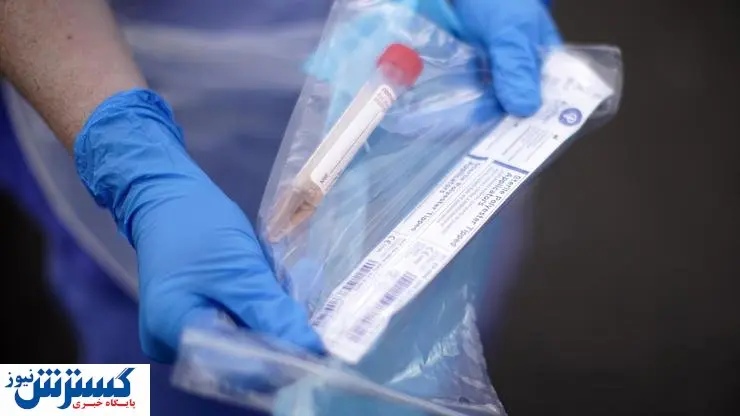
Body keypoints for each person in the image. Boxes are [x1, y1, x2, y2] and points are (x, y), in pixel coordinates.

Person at [0, 0, 559, 414]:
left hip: (421, 76)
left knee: (405, 333)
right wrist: (136, 165)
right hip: (119, 74)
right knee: (146, 378)